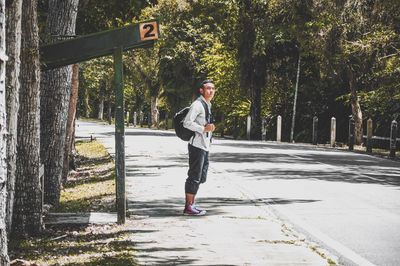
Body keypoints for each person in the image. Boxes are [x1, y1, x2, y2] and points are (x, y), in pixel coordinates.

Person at [182, 79, 216, 216]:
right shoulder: (197, 104)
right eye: (208, 88)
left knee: (201, 177)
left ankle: (192, 204)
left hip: (204, 146)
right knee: (194, 176)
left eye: (213, 88)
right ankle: (188, 207)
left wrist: (209, 129)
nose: (211, 91)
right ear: (201, 90)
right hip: (196, 145)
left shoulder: (207, 104)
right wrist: (203, 129)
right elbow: (186, 123)